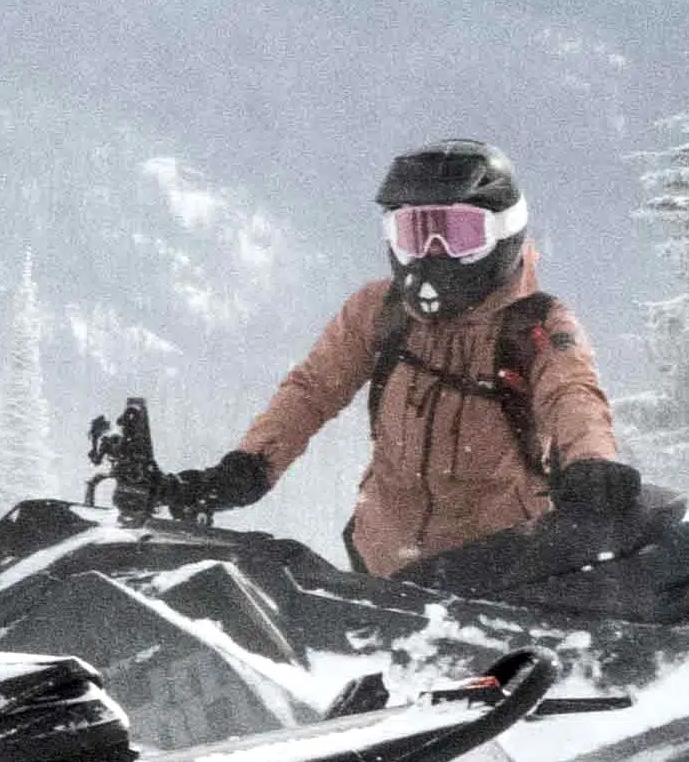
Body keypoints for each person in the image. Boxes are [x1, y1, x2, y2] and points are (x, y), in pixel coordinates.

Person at [128, 139, 643, 575]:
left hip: (501, 567)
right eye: (415, 233)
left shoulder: (535, 325)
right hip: (382, 562)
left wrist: (591, 464)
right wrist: (245, 469)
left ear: (504, 234)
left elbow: (573, 394)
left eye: (457, 234)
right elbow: (312, 391)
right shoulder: (379, 311)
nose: (433, 252)